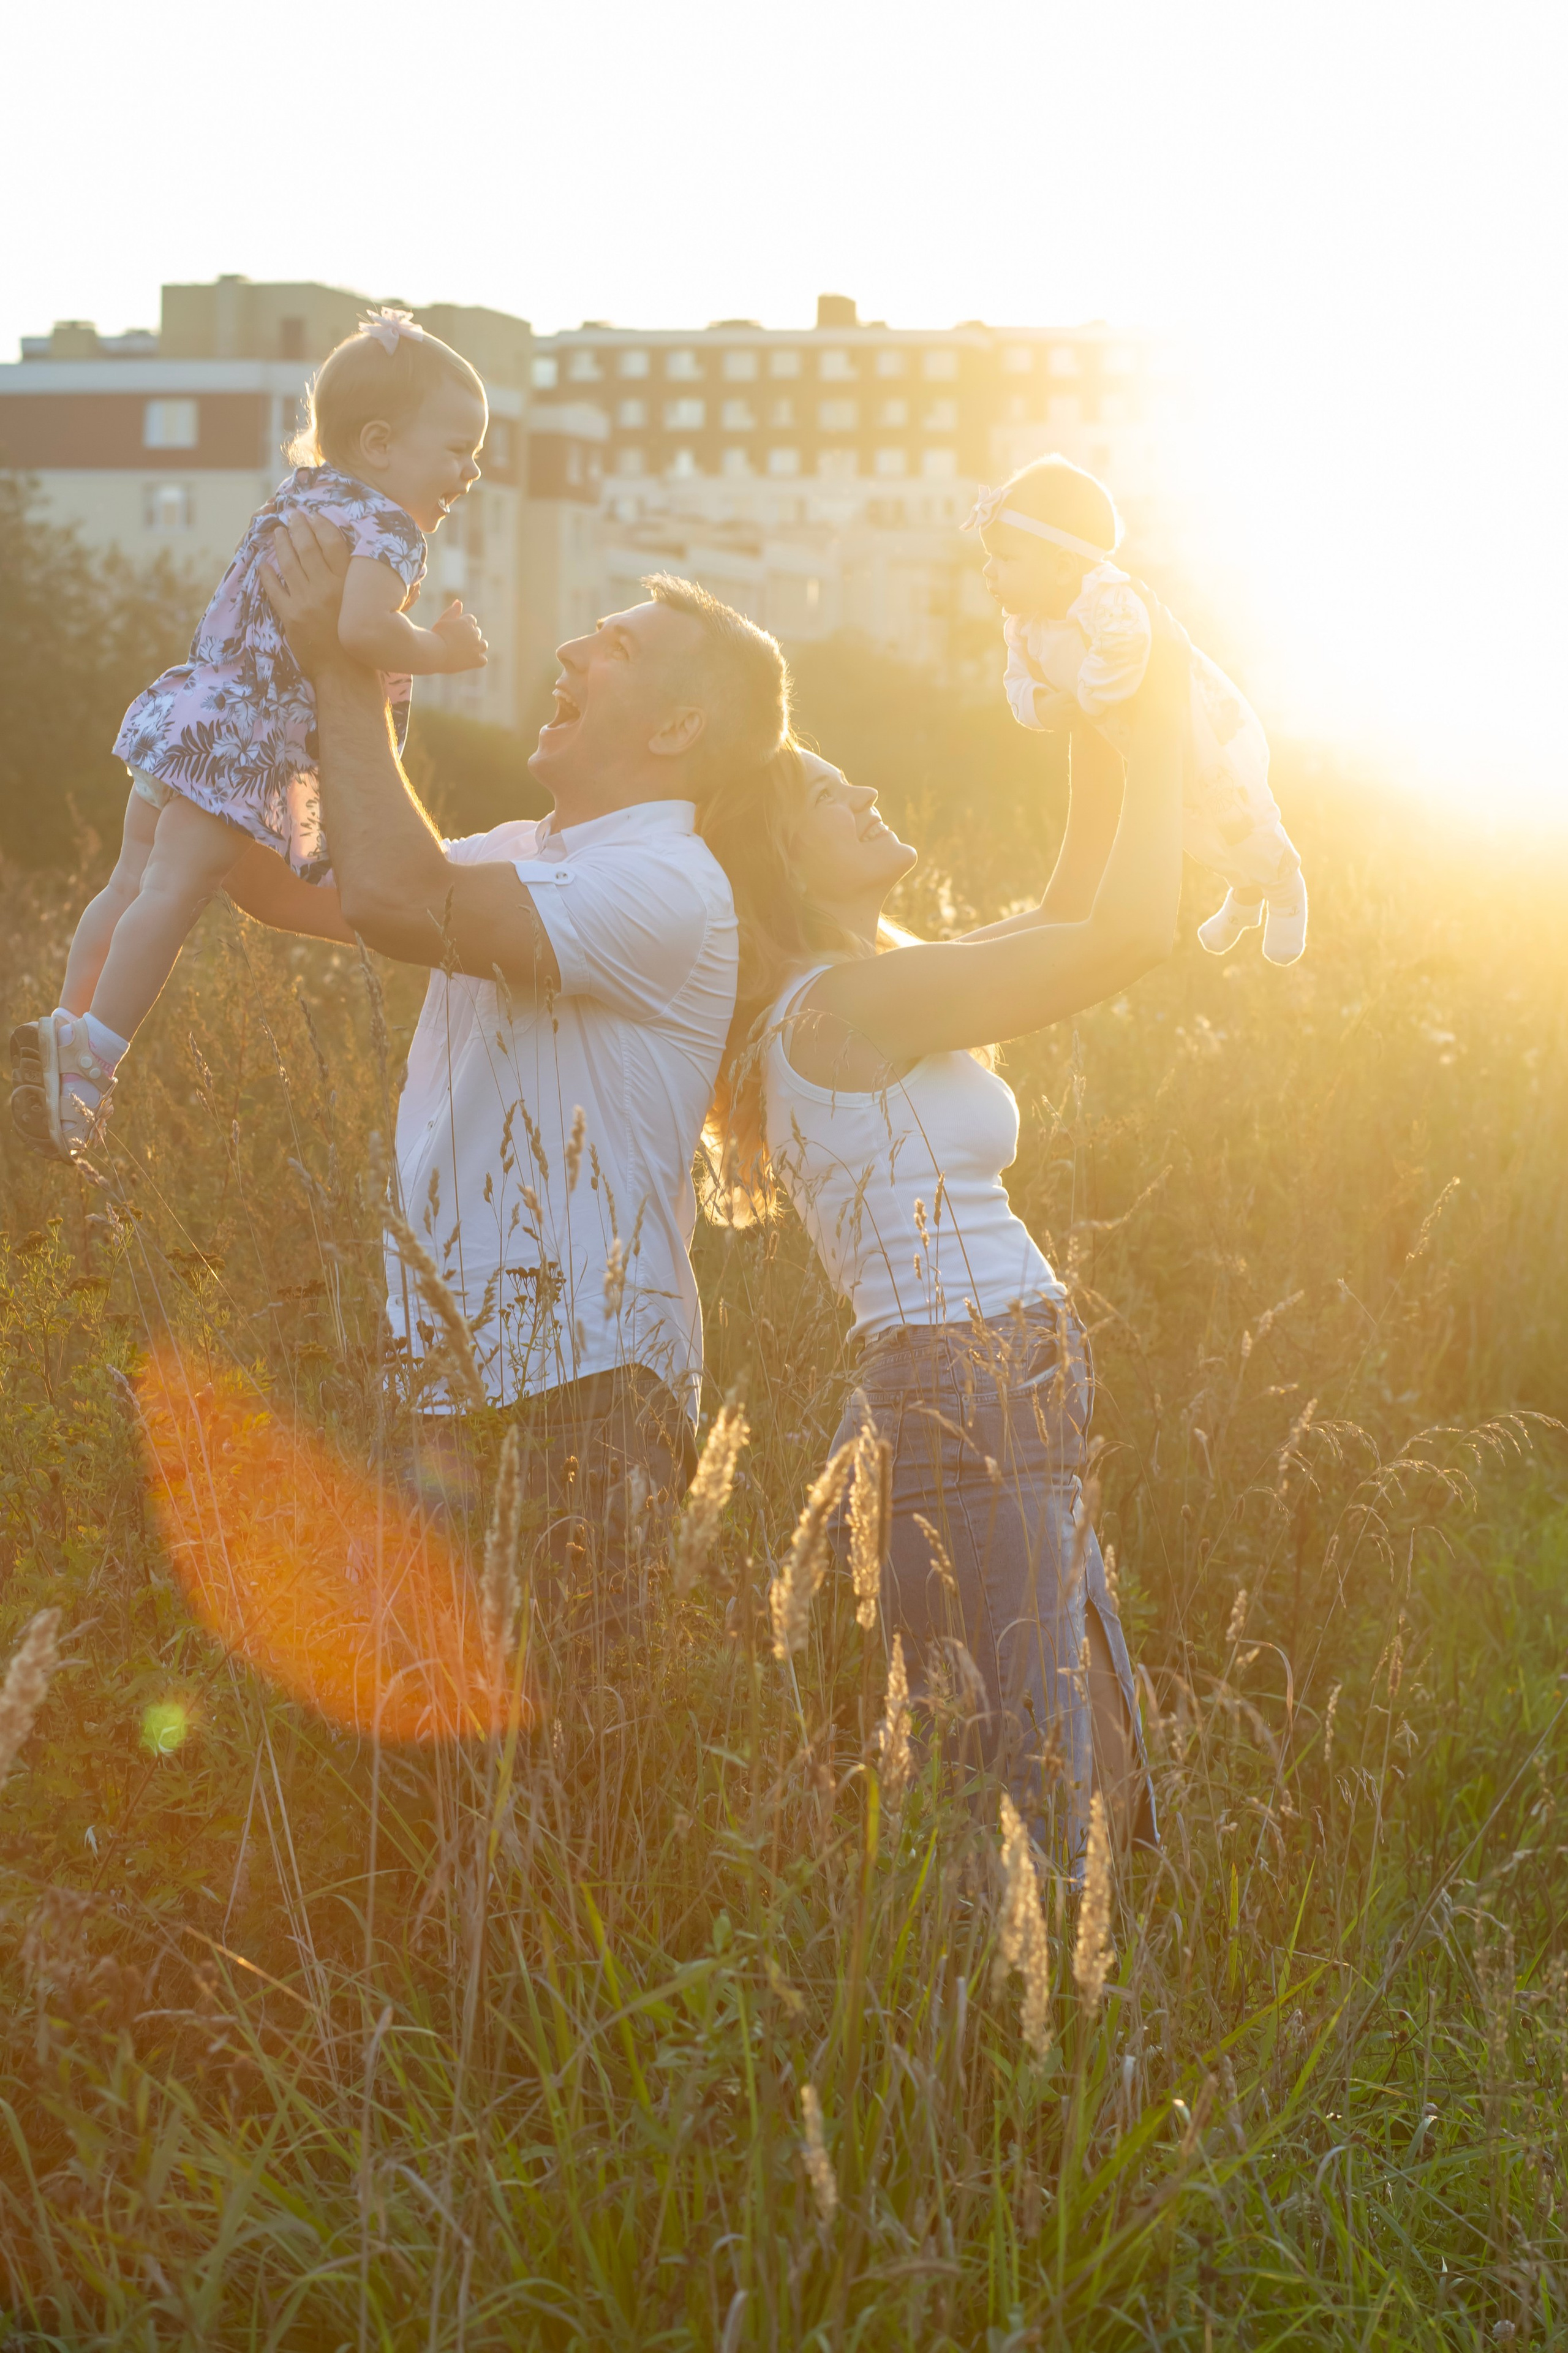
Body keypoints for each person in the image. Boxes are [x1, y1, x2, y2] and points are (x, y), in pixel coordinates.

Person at [230, 513, 790, 1636]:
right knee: (432, 1768)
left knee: (560, 1772)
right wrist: (290, 665)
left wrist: (346, 667)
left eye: (615, 649)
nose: (572, 656)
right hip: (439, 1378)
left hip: (581, 1390)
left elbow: (399, 899)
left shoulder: (670, 881)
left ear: (680, 725)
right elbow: (279, 881)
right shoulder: (522, 851)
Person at [699, 624, 1189, 1858]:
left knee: (1091, 1758)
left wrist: (1100, 715)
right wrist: (1170, 720)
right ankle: (1028, 2045)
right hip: (964, 1385)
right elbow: (1123, 935)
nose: (863, 791)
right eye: (826, 794)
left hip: (999, 1375)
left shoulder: (875, 980)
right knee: (1042, 1781)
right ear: (778, 853)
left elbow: (1068, 907)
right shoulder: (846, 1003)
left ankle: (1081, 2038)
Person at [9, 310, 491, 1161]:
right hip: (246, 740)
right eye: (457, 448)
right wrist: (443, 652)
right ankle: (94, 1060)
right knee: (176, 892)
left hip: (193, 711)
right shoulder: (391, 529)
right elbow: (364, 631)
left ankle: (67, 1024)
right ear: (380, 445)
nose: (472, 469)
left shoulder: (304, 494)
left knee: (131, 883)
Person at [970, 454, 1307, 965]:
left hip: (1205, 731)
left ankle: (1285, 888)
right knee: (1191, 828)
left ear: (1062, 566)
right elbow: (1015, 682)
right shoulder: (1024, 626)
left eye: (1005, 559)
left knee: (1234, 812)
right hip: (1147, 746)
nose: (989, 571)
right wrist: (1040, 705)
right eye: (989, 558)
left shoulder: (1108, 597)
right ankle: (1244, 894)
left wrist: (1085, 697)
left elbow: (1127, 645)